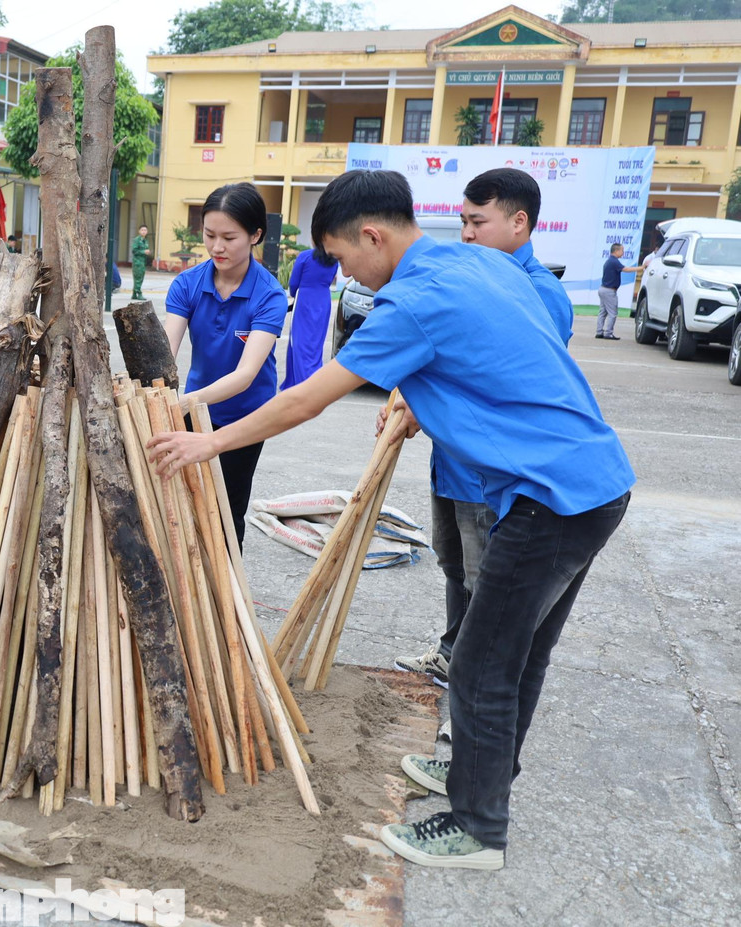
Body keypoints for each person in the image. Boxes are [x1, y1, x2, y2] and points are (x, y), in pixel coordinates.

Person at [148, 169, 633, 871]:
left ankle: (477, 828)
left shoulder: (409, 302)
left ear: (372, 235)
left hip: (549, 500)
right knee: (519, 653)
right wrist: (418, 393)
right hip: (597, 481)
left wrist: (210, 440)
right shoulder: (470, 259)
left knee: (482, 660)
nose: (348, 273)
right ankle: (479, 771)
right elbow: (491, 350)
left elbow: (307, 397)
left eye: (344, 258)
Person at [396, 167, 574, 687]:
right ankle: (453, 653)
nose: (467, 234)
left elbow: (502, 381)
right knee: (454, 564)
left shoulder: (539, 294)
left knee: (485, 581)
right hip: (451, 464)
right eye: (463, 222)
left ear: (520, 223)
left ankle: (474, 680)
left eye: (479, 222)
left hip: (489, 472)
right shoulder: (474, 280)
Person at [162, 182, 287, 550]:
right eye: (210, 234)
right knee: (183, 504)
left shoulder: (269, 295)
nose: (217, 247)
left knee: (227, 511)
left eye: (229, 237)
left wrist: (187, 401)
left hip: (246, 417)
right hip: (196, 410)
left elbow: (246, 375)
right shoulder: (186, 285)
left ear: (255, 235)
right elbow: (165, 352)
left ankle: (227, 600)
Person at [279, 248, 337, 390]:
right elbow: (330, 279)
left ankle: (300, 382)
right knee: (316, 342)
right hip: (323, 298)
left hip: (305, 299)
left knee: (299, 341)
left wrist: (295, 293)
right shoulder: (334, 257)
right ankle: (315, 378)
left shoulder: (305, 256)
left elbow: (293, 284)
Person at [597, 242, 643, 340]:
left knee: (603, 312)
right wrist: (641, 268)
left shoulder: (609, 260)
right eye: (622, 250)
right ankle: (608, 333)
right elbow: (626, 269)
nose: (623, 252)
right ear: (616, 251)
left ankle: (599, 331)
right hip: (609, 291)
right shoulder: (614, 261)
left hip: (603, 289)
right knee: (612, 313)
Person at [130, 225, 151, 300]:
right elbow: (134, 251)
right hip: (137, 262)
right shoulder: (137, 240)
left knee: (140, 278)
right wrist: (144, 252)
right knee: (138, 278)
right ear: (139, 231)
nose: (144, 231)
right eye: (142, 230)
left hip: (143, 262)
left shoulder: (145, 240)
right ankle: (139, 293)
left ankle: (134, 294)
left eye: (145, 230)